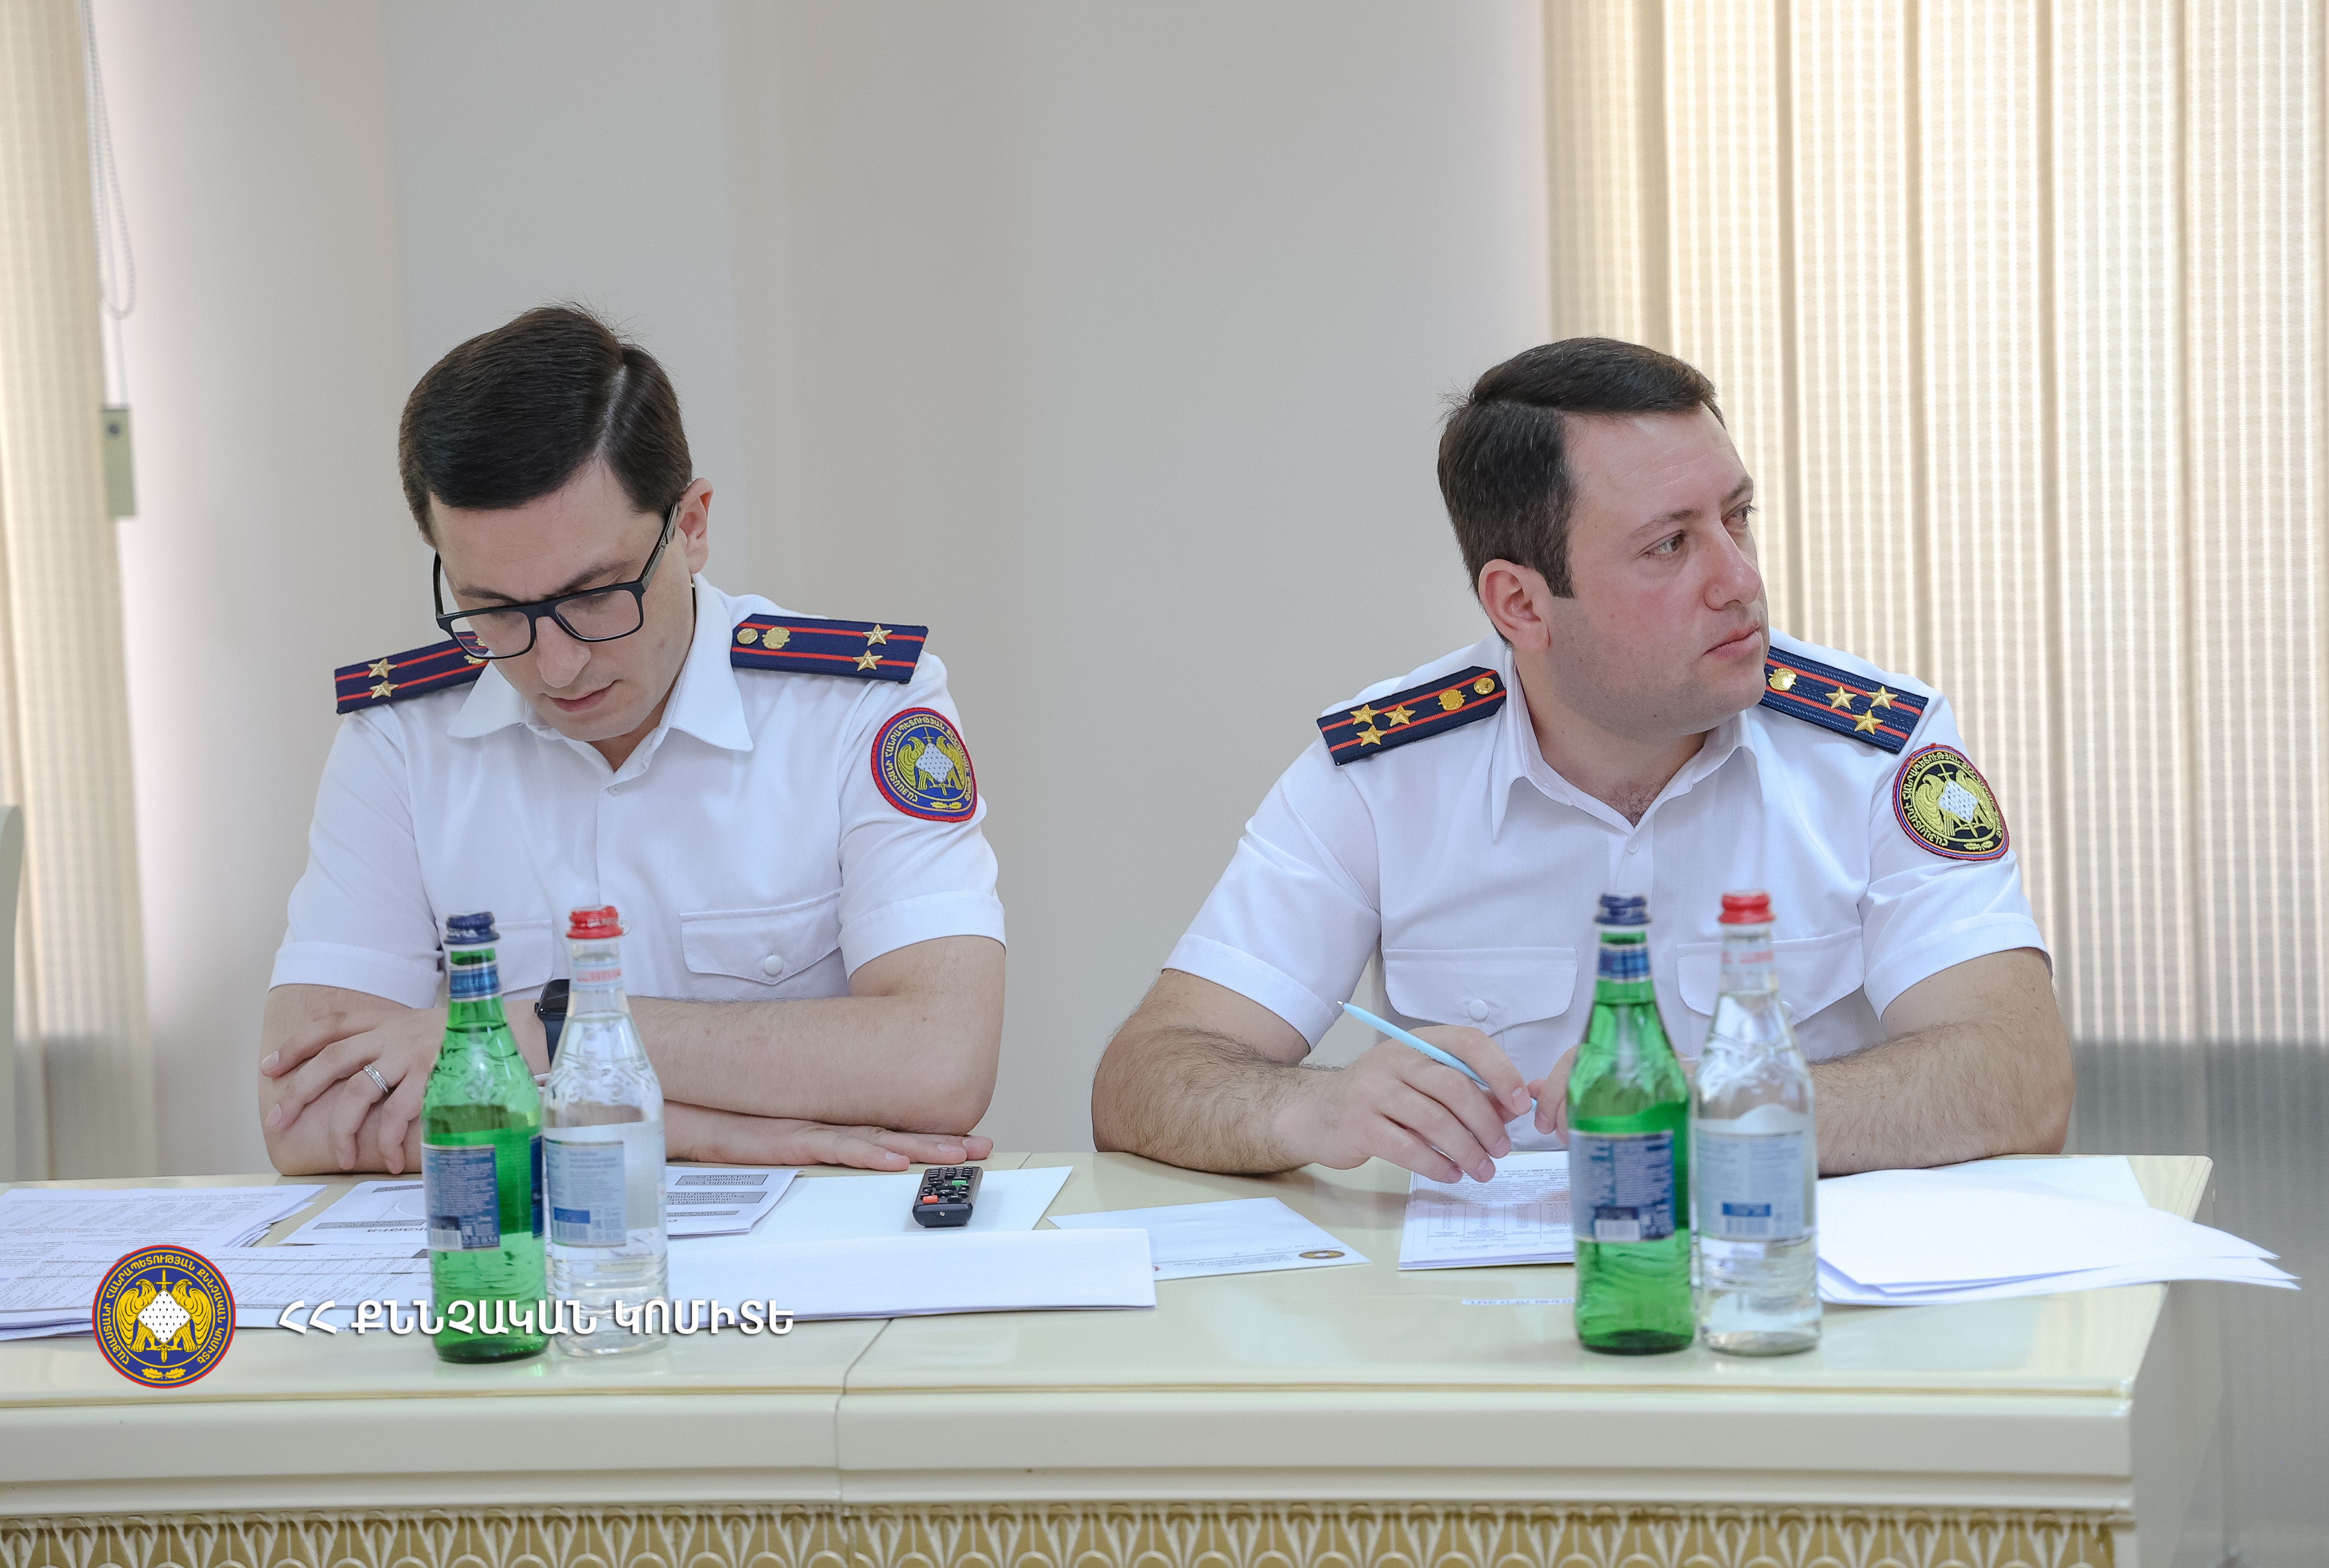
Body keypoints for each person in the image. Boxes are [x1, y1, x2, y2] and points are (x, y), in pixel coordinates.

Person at [1091, 338, 2071, 1182]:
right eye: (1669, 545)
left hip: (1784, 1286)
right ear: (1520, 604)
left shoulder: (1874, 748)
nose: (1740, 579)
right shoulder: (1382, 773)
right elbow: (1146, 1078)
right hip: (1488, 1314)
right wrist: (1313, 1110)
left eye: (1736, 516)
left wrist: (1719, 1109)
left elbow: (2019, 1076)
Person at [260, 306, 1005, 1176]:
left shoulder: (857, 709)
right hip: (534, 1241)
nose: (557, 664)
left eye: (595, 595)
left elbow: (939, 1062)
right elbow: (306, 1119)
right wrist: (701, 1131)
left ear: (690, 527)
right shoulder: (399, 738)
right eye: (493, 610)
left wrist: (542, 1030)